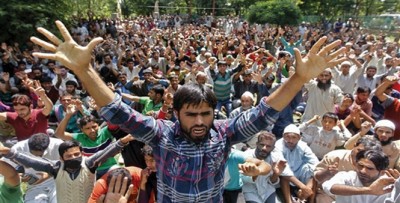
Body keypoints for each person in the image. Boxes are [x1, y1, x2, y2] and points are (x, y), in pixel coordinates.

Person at [30, 20, 346, 202]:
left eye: (206, 114)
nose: (199, 121)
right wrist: (85, 71)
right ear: (177, 113)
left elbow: (263, 114)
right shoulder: (161, 133)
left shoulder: (224, 133)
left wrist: (299, 77)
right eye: (191, 114)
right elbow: (117, 112)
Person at [0, 135, 133, 203]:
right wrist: (10, 153)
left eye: (76, 154)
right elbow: (32, 162)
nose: (74, 158)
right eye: (69, 156)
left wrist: (123, 141)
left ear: (81, 154)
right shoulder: (56, 168)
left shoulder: (89, 164)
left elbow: (107, 152)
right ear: (62, 158)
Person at [314, 136, 382, 202]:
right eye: (360, 150)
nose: (362, 155)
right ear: (354, 146)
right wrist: (327, 172)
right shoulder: (334, 156)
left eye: (368, 153)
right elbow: (316, 178)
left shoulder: (377, 164)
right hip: (328, 195)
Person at [4, 133, 63, 203]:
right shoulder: (18, 148)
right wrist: (18, 177)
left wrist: (50, 175)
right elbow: (5, 168)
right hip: (35, 185)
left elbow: (69, 166)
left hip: (57, 182)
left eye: (39, 155)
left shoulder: (59, 145)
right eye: (33, 155)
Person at [322, 150, 394, 202]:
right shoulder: (348, 176)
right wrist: (368, 190)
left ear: (382, 172)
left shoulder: (390, 185)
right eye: (360, 165)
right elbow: (330, 187)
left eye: (369, 168)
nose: (362, 171)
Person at [275, 124, 319, 202]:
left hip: (299, 172)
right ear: (283, 136)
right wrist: (302, 186)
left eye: (294, 137)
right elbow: (284, 169)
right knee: (283, 174)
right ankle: (289, 201)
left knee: (312, 171)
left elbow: (315, 162)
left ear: (299, 138)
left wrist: (307, 188)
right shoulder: (278, 145)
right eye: (287, 137)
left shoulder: (303, 146)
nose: (290, 140)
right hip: (286, 175)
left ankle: (309, 199)